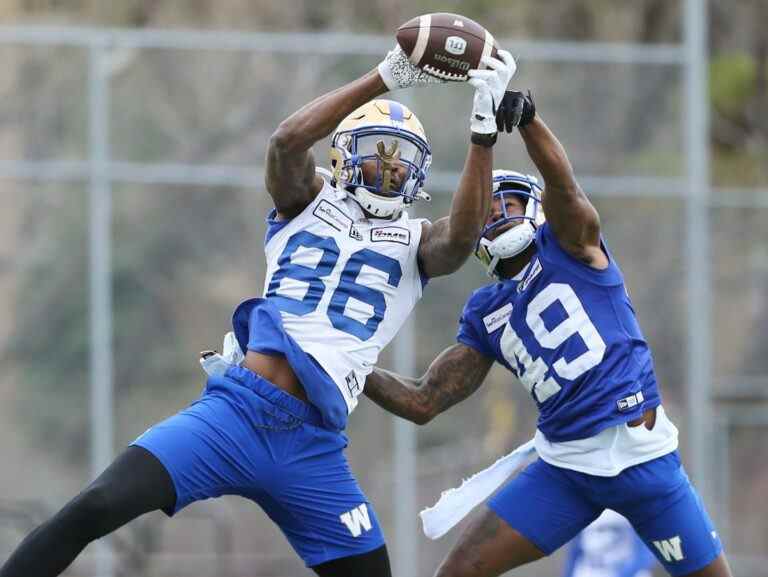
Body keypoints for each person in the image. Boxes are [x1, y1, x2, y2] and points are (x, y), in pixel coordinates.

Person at [0, 45, 517, 577]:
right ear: (341, 156)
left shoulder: (419, 241)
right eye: (375, 151)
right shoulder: (306, 201)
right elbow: (287, 141)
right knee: (95, 506)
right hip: (235, 414)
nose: (387, 168)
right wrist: (385, 77)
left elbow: (461, 237)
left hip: (312, 446)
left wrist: (482, 131)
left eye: (401, 159)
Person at [363, 90, 733, 577]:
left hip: (642, 457)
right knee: (456, 573)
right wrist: (345, 364)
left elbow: (565, 186)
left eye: (507, 203)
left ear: (535, 209)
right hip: (566, 467)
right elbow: (422, 401)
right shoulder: (485, 312)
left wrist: (530, 122)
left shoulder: (572, 246)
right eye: (487, 211)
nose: (495, 214)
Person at [563, 509, 657, 577]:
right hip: (589, 571)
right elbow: (575, 551)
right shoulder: (583, 503)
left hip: (627, 571)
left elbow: (645, 553)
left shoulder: (637, 501)